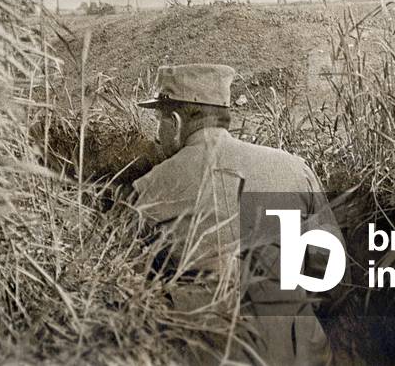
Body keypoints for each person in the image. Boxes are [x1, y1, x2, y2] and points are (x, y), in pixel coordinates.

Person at [133, 64, 341, 365]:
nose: (158, 133)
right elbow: (333, 279)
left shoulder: (148, 188)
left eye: (159, 120)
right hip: (300, 355)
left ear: (176, 122)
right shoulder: (296, 169)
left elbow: (133, 295)